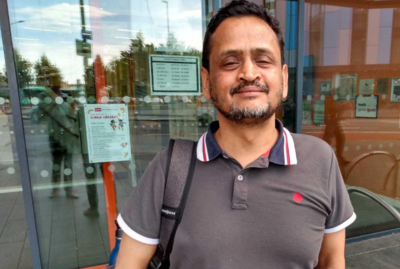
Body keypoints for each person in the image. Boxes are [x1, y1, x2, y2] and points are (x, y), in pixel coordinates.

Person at [115, 1, 356, 268]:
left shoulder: (320, 159)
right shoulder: (169, 168)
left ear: (284, 80)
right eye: (230, 62)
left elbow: (332, 258)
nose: (249, 73)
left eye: (263, 60)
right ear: (207, 83)